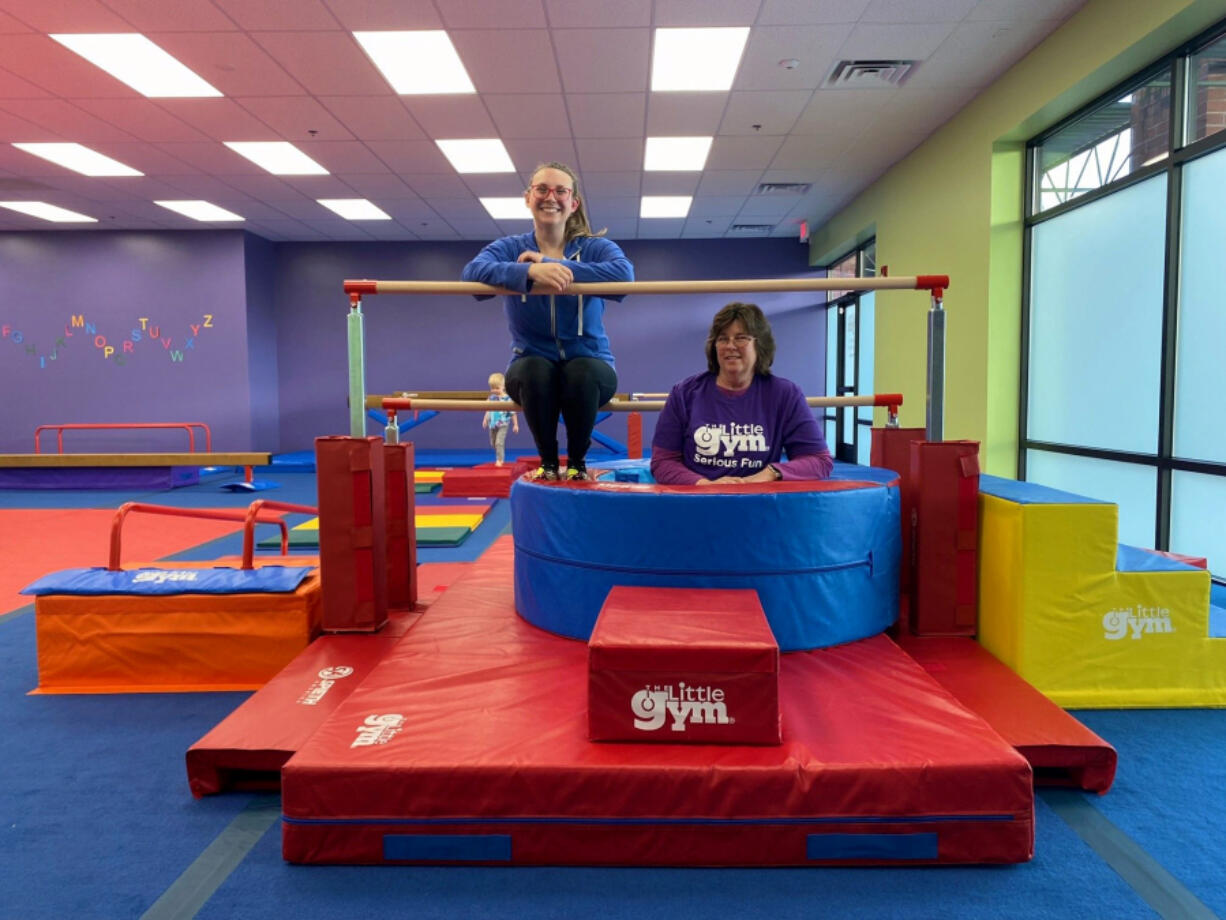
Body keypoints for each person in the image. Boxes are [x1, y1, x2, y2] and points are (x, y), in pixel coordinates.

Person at [462, 161, 634, 481]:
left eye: (560, 191)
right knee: (534, 369)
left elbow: (624, 276)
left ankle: (578, 463)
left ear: (573, 203)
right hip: (530, 367)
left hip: (592, 367)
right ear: (528, 198)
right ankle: (549, 462)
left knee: (581, 370)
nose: (550, 197)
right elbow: (472, 274)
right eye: (542, 189)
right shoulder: (510, 248)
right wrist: (527, 272)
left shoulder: (594, 247)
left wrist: (549, 263)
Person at [651, 302, 834, 485]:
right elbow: (663, 462)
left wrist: (771, 473)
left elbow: (819, 460)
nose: (730, 346)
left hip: (758, 504)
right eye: (723, 339)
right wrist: (705, 485)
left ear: (760, 344)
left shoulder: (785, 395)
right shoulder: (684, 393)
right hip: (698, 502)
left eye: (741, 338)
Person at [482, 371, 519, 467]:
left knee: (499, 442)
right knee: (493, 443)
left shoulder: (507, 399)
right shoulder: (491, 397)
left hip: (503, 424)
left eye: (497, 388)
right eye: (492, 388)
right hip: (492, 424)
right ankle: (499, 454)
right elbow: (487, 409)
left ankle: (500, 460)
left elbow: (513, 413)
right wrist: (485, 419)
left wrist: (515, 424)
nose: (494, 390)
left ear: (503, 387)